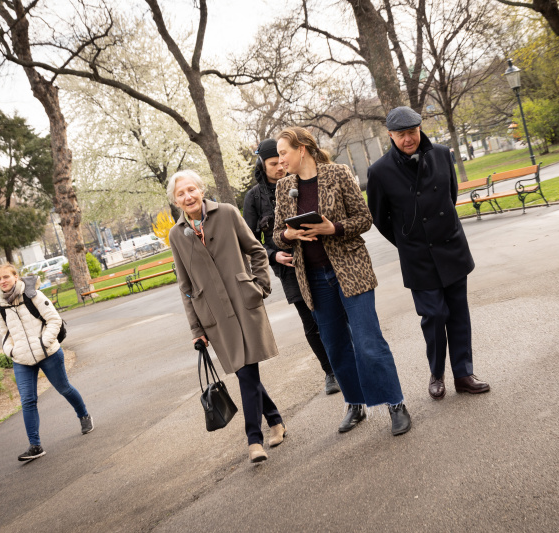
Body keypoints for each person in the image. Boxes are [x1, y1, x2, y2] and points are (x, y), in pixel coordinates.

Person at [272, 126, 412, 437]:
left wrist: (331, 228)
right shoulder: (283, 187)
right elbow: (277, 236)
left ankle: (395, 403)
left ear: (302, 149)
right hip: (314, 279)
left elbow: (364, 219)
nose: (280, 161)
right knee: (335, 346)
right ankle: (355, 403)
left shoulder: (338, 173)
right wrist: (289, 235)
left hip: (350, 270)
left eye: (283, 153)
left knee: (368, 342)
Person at [366, 106, 490, 401]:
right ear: (390, 135)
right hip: (418, 257)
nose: (408, 139)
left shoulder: (443, 154)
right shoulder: (379, 171)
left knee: (458, 313)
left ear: (419, 129)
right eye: (401, 134)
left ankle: (464, 374)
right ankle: (437, 373)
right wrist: (408, 241)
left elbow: (451, 195)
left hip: (451, 247)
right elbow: (380, 218)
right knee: (433, 315)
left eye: (412, 132)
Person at [167, 169, 285, 463]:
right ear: (175, 201)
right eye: (181, 193)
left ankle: (253, 439)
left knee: (247, 372)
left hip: (245, 303)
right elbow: (185, 286)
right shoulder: (176, 234)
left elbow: (257, 251)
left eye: (191, 189)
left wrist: (259, 286)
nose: (188, 196)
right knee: (246, 372)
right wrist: (196, 329)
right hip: (215, 316)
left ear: (201, 189)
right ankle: (275, 419)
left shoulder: (227, 213)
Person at [243, 138, 340, 396]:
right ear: (262, 165)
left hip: (318, 257)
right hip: (288, 267)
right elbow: (249, 241)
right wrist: (273, 256)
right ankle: (330, 371)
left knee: (336, 315)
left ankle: (346, 363)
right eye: (272, 164)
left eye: (281, 161)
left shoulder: (300, 181)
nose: (279, 167)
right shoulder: (253, 198)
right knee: (311, 321)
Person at [0, 263, 94, 462]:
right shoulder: (0, 305)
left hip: (48, 353)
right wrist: (11, 351)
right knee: (27, 401)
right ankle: (35, 445)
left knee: (64, 388)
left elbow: (54, 320)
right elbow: (4, 333)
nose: (2, 281)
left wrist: (43, 342)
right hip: (21, 359)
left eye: (6, 277)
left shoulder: (33, 295)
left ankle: (84, 415)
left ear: (15, 277)